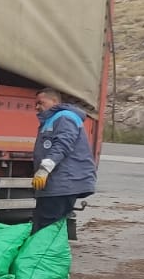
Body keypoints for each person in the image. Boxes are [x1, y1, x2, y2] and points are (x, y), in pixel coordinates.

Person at [31, 87, 96, 231]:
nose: (37, 107)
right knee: (45, 226)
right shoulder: (53, 120)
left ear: (54, 101)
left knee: (46, 228)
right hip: (57, 184)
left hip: (63, 184)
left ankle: (44, 253)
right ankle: (45, 252)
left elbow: (63, 144)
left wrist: (44, 169)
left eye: (41, 103)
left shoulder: (65, 117)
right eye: (36, 104)